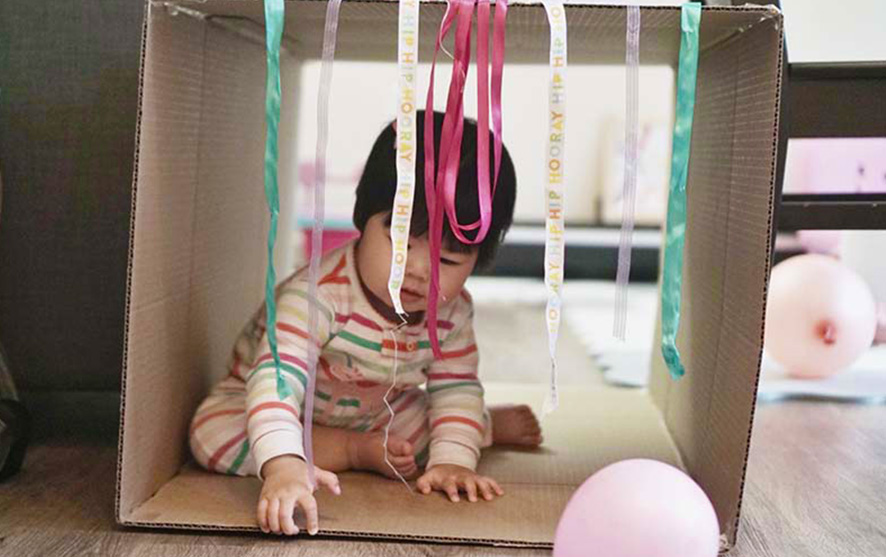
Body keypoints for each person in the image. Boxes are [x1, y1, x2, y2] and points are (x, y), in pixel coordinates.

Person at [189, 111, 542, 536]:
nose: (417, 271)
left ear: (478, 262)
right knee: (209, 435)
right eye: (400, 242)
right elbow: (278, 381)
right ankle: (351, 452)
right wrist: (282, 468)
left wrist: (454, 464)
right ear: (362, 217)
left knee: (441, 427)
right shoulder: (319, 293)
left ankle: (483, 425)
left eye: (447, 260)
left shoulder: (453, 311)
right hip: (282, 405)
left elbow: (455, 385)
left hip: (381, 407)